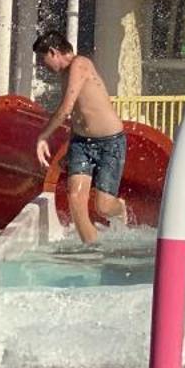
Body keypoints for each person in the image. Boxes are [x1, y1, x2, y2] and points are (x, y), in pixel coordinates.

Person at [32, 30, 130, 245]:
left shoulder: (80, 64)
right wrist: (70, 148)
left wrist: (43, 137)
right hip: (81, 143)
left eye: (42, 59)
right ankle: (92, 250)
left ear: (54, 52)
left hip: (110, 142)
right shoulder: (65, 74)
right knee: (75, 199)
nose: (42, 66)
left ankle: (119, 207)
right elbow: (78, 114)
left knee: (103, 207)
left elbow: (66, 108)